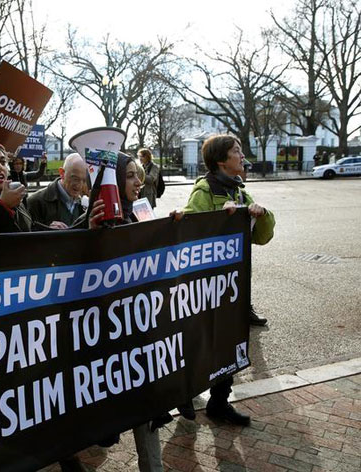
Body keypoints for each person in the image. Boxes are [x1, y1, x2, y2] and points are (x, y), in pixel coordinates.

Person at [181, 134, 275, 426]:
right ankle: (184, 393)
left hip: (232, 287)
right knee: (199, 343)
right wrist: (219, 220)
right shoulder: (204, 191)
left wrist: (262, 213)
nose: (243, 156)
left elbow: (262, 237)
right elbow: (190, 233)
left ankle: (219, 403)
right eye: (237, 151)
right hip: (206, 288)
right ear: (221, 160)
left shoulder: (240, 192)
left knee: (228, 343)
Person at [88, 153, 169, 472]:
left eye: (140, 175)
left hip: (141, 331)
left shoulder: (140, 210)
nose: (140, 182)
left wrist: (172, 230)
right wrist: (92, 234)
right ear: (112, 182)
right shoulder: (94, 217)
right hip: (109, 338)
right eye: (131, 176)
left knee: (147, 409)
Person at [26, 153, 87, 229]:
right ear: (62, 173)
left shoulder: (85, 204)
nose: (80, 186)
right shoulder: (35, 202)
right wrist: (49, 232)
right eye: (75, 179)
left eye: (84, 180)